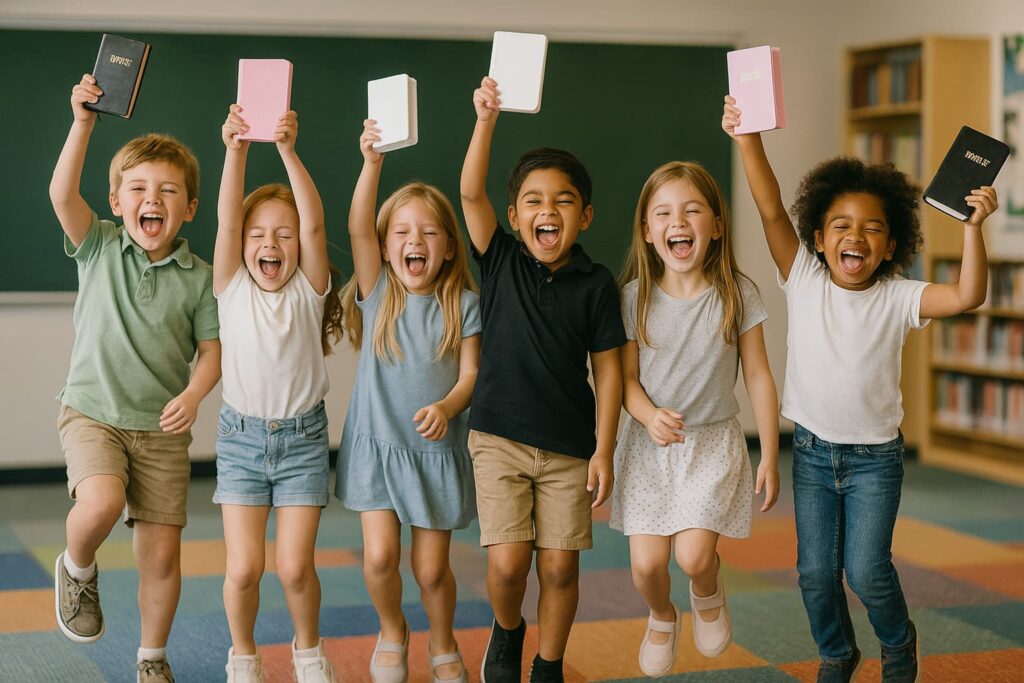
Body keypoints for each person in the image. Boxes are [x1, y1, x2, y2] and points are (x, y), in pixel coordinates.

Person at [724, 95, 998, 683]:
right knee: (815, 574)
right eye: (841, 227)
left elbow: (966, 296)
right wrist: (747, 139)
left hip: (876, 459)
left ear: (891, 245)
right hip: (815, 456)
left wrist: (974, 230)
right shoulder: (802, 276)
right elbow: (770, 208)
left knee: (868, 570)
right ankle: (836, 653)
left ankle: (898, 645)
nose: (857, 238)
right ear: (818, 239)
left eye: (873, 229)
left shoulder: (899, 296)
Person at [49, 74, 221, 683]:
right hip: (93, 411)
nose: (154, 199)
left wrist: (195, 394)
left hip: (162, 430)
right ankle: (77, 567)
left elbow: (210, 352)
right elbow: (61, 192)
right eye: (139, 189)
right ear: (118, 202)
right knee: (100, 501)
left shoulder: (199, 277)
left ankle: (152, 658)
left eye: (168, 191)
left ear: (189, 208)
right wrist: (84, 122)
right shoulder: (97, 245)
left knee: (162, 556)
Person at [460, 76, 626, 683]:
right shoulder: (499, 258)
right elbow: (469, 190)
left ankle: (549, 664)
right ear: (513, 216)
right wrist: (486, 120)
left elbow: (609, 371)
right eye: (532, 200)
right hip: (499, 437)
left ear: (584, 216)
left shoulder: (597, 283)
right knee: (507, 567)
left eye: (562, 201)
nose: (546, 211)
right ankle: (507, 631)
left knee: (558, 568)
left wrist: (604, 448)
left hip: (568, 448)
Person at [611, 160, 780, 676]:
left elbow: (757, 376)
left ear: (717, 225)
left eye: (691, 210)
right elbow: (625, 382)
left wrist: (770, 453)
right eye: (662, 213)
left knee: (694, 558)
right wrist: (647, 415)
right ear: (647, 230)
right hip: (648, 447)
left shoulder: (736, 293)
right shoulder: (633, 297)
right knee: (646, 566)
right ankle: (662, 615)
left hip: (710, 445)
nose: (677, 222)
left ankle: (707, 594)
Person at [335, 119, 481, 683]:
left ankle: (443, 642)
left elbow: (471, 375)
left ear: (447, 247)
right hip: (377, 449)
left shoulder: (464, 303)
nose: (413, 242)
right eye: (400, 232)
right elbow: (356, 229)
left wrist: (447, 408)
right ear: (386, 245)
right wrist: (372, 164)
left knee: (431, 567)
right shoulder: (378, 294)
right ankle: (393, 629)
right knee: (378, 559)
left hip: (434, 454)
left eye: (427, 233)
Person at [214, 105, 343, 683]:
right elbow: (223, 223)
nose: (271, 245)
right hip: (240, 441)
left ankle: (308, 651)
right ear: (242, 245)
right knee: (243, 569)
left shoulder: (310, 289)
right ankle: (243, 654)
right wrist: (236, 151)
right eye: (258, 235)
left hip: (302, 442)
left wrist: (288, 152)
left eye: (282, 236)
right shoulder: (231, 286)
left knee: (294, 567)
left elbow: (314, 225)